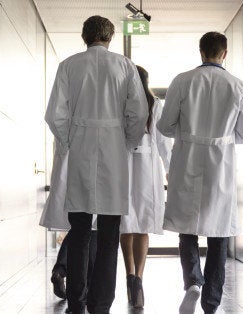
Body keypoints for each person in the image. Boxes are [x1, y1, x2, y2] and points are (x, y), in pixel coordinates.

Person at [44, 15, 148, 314]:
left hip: (80, 149)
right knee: (109, 230)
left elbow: (54, 115)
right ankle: (101, 303)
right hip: (115, 150)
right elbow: (138, 114)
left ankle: (77, 300)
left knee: (79, 229)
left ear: (84, 37)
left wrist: (69, 142)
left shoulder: (69, 66)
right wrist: (126, 142)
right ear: (110, 38)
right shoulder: (125, 66)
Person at [157, 32, 243, 314]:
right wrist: (223, 137)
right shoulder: (237, 86)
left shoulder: (182, 80)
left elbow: (165, 127)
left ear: (201, 52)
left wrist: (188, 134)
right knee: (219, 231)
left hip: (187, 157)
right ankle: (211, 302)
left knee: (186, 228)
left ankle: (192, 281)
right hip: (220, 162)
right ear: (224, 53)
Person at [119, 65, 172, 309]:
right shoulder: (156, 106)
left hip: (123, 170)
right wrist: (171, 171)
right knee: (142, 227)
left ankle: (130, 276)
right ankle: (138, 279)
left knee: (126, 225)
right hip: (148, 172)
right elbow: (164, 144)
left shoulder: (120, 104)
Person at [39, 140, 97, 302]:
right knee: (92, 229)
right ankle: (84, 288)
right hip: (92, 161)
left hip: (69, 161)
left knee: (80, 227)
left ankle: (60, 270)